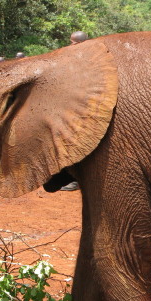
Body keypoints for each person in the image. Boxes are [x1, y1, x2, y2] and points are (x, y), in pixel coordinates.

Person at [59, 31, 89, 192]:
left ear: (79, 43)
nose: (70, 45)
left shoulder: (83, 61)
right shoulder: (86, 59)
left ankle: (76, 179)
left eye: (72, 43)